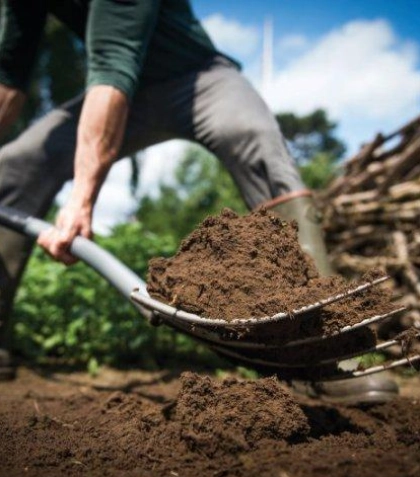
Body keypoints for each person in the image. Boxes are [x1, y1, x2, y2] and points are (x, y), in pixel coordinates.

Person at [0, 0, 398, 404]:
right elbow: (8, 80)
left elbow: (112, 66)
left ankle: (327, 355)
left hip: (199, 78)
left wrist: (81, 201)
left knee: (256, 137)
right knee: (12, 169)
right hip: (130, 89)